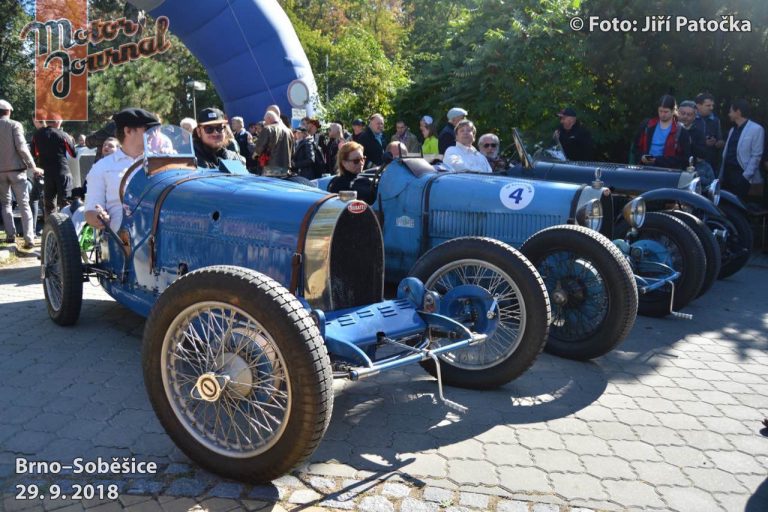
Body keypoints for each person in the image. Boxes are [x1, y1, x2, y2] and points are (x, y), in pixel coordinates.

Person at [84, 108, 160, 231]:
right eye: (148, 130)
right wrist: (98, 217)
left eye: (155, 130)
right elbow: (91, 210)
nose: (155, 135)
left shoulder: (162, 162)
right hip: (122, 241)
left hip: (161, 233)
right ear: (128, 131)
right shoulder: (102, 167)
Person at [0, 99, 40, 248]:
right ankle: (29, 238)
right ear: (9, 111)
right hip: (17, 171)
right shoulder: (15, 125)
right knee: (24, 204)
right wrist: (33, 166)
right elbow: (22, 148)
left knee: (5, 204)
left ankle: (10, 235)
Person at [720, 99, 764, 198]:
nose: (729, 114)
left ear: (738, 112)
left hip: (741, 174)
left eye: (731, 111)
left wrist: (746, 176)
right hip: (727, 174)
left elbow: (756, 155)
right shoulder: (732, 130)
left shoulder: (756, 129)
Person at [32, 118, 76, 217]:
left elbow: (34, 153)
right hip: (62, 172)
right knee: (66, 203)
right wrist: (71, 140)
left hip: (47, 174)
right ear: (58, 121)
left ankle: (50, 228)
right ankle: (66, 228)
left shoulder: (37, 134)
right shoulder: (63, 134)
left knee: (49, 205)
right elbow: (73, 153)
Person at [634, 94, 690, 169]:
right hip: (645, 169)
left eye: (666, 112)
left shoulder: (681, 131)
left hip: (668, 172)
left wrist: (657, 160)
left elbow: (684, 159)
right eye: (660, 111)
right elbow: (635, 149)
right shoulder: (647, 125)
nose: (663, 114)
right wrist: (642, 157)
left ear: (673, 111)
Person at [678, 100, 715, 185]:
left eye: (689, 114)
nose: (685, 117)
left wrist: (690, 142)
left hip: (690, 170)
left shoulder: (698, 133)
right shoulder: (671, 129)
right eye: (683, 113)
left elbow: (703, 154)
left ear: (694, 117)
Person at [253, 109, 294, 175]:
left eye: (265, 120)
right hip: (286, 168)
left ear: (269, 118)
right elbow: (293, 151)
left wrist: (254, 155)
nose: (265, 123)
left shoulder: (268, 129)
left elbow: (260, 148)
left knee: (269, 185)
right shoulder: (289, 131)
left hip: (271, 167)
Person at [694, 93, 725, 169]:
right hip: (694, 161)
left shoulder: (715, 120)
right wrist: (704, 142)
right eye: (708, 105)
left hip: (711, 162)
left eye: (712, 105)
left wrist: (718, 143)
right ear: (698, 106)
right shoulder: (691, 119)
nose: (711, 108)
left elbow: (720, 139)